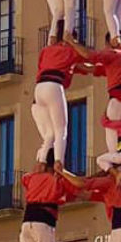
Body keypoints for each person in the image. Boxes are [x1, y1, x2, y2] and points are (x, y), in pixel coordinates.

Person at [66, 34, 121, 155]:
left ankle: (117, 170)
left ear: (110, 43)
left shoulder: (114, 54)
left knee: (113, 147)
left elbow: (90, 56)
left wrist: (72, 42)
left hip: (118, 100)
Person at [32, 28, 87, 170]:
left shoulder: (46, 50)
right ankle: (58, 163)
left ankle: (42, 161)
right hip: (53, 86)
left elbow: (44, 66)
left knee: (50, 134)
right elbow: (88, 58)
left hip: (38, 90)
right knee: (61, 129)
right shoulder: (71, 51)